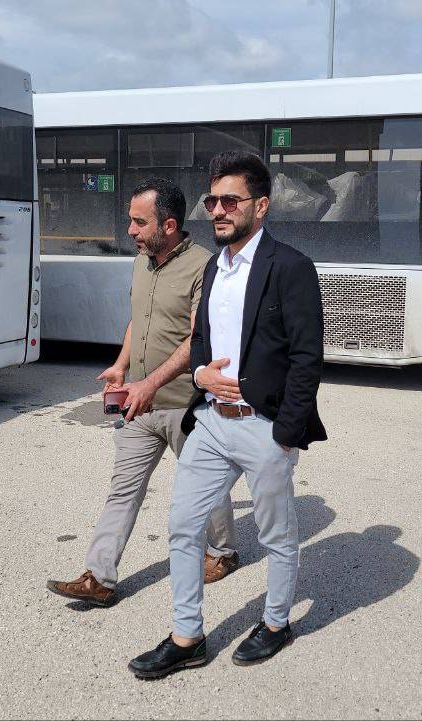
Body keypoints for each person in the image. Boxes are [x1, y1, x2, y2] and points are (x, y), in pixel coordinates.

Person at [128, 151, 326, 678]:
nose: (217, 210)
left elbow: (307, 358)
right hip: (213, 423)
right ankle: (187, 637)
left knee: (277, 536)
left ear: (261, 206)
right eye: (212, 201)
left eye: (230, 201)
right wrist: (200, 376)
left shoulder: (291, 267)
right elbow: (200, 341)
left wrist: (285, 434)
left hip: (265, 427)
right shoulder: (215, 267)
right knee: (183, 526)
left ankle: (277, 623)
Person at [47, 178, 239, 608]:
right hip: (139, 404)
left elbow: (197, 339)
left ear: (168, 225)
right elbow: (140, 320)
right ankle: (99, 578)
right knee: (123, 490)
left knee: (206, 487)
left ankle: (224, 551)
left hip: (187, 406)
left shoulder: (206, 268)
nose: (130, 230)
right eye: (130, 221)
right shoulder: (141, 262)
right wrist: (121, 365)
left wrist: (151, 383)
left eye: (139, 222)